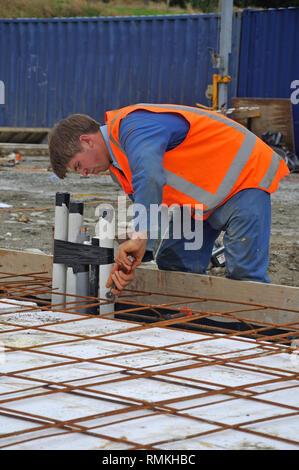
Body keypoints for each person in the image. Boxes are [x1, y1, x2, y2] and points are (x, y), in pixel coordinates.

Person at [48, 103, 289, 296]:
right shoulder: (118, 165)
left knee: (244, 278)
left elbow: (149, 177)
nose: (84, 174)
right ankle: (191, 323)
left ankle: (251, 338)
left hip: (243, 178)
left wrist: (140, 236)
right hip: (198, 200)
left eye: (79, 165)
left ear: (86, 141)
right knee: (176, 263)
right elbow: (155, 204)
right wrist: (136, 257)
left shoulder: (133, 126)